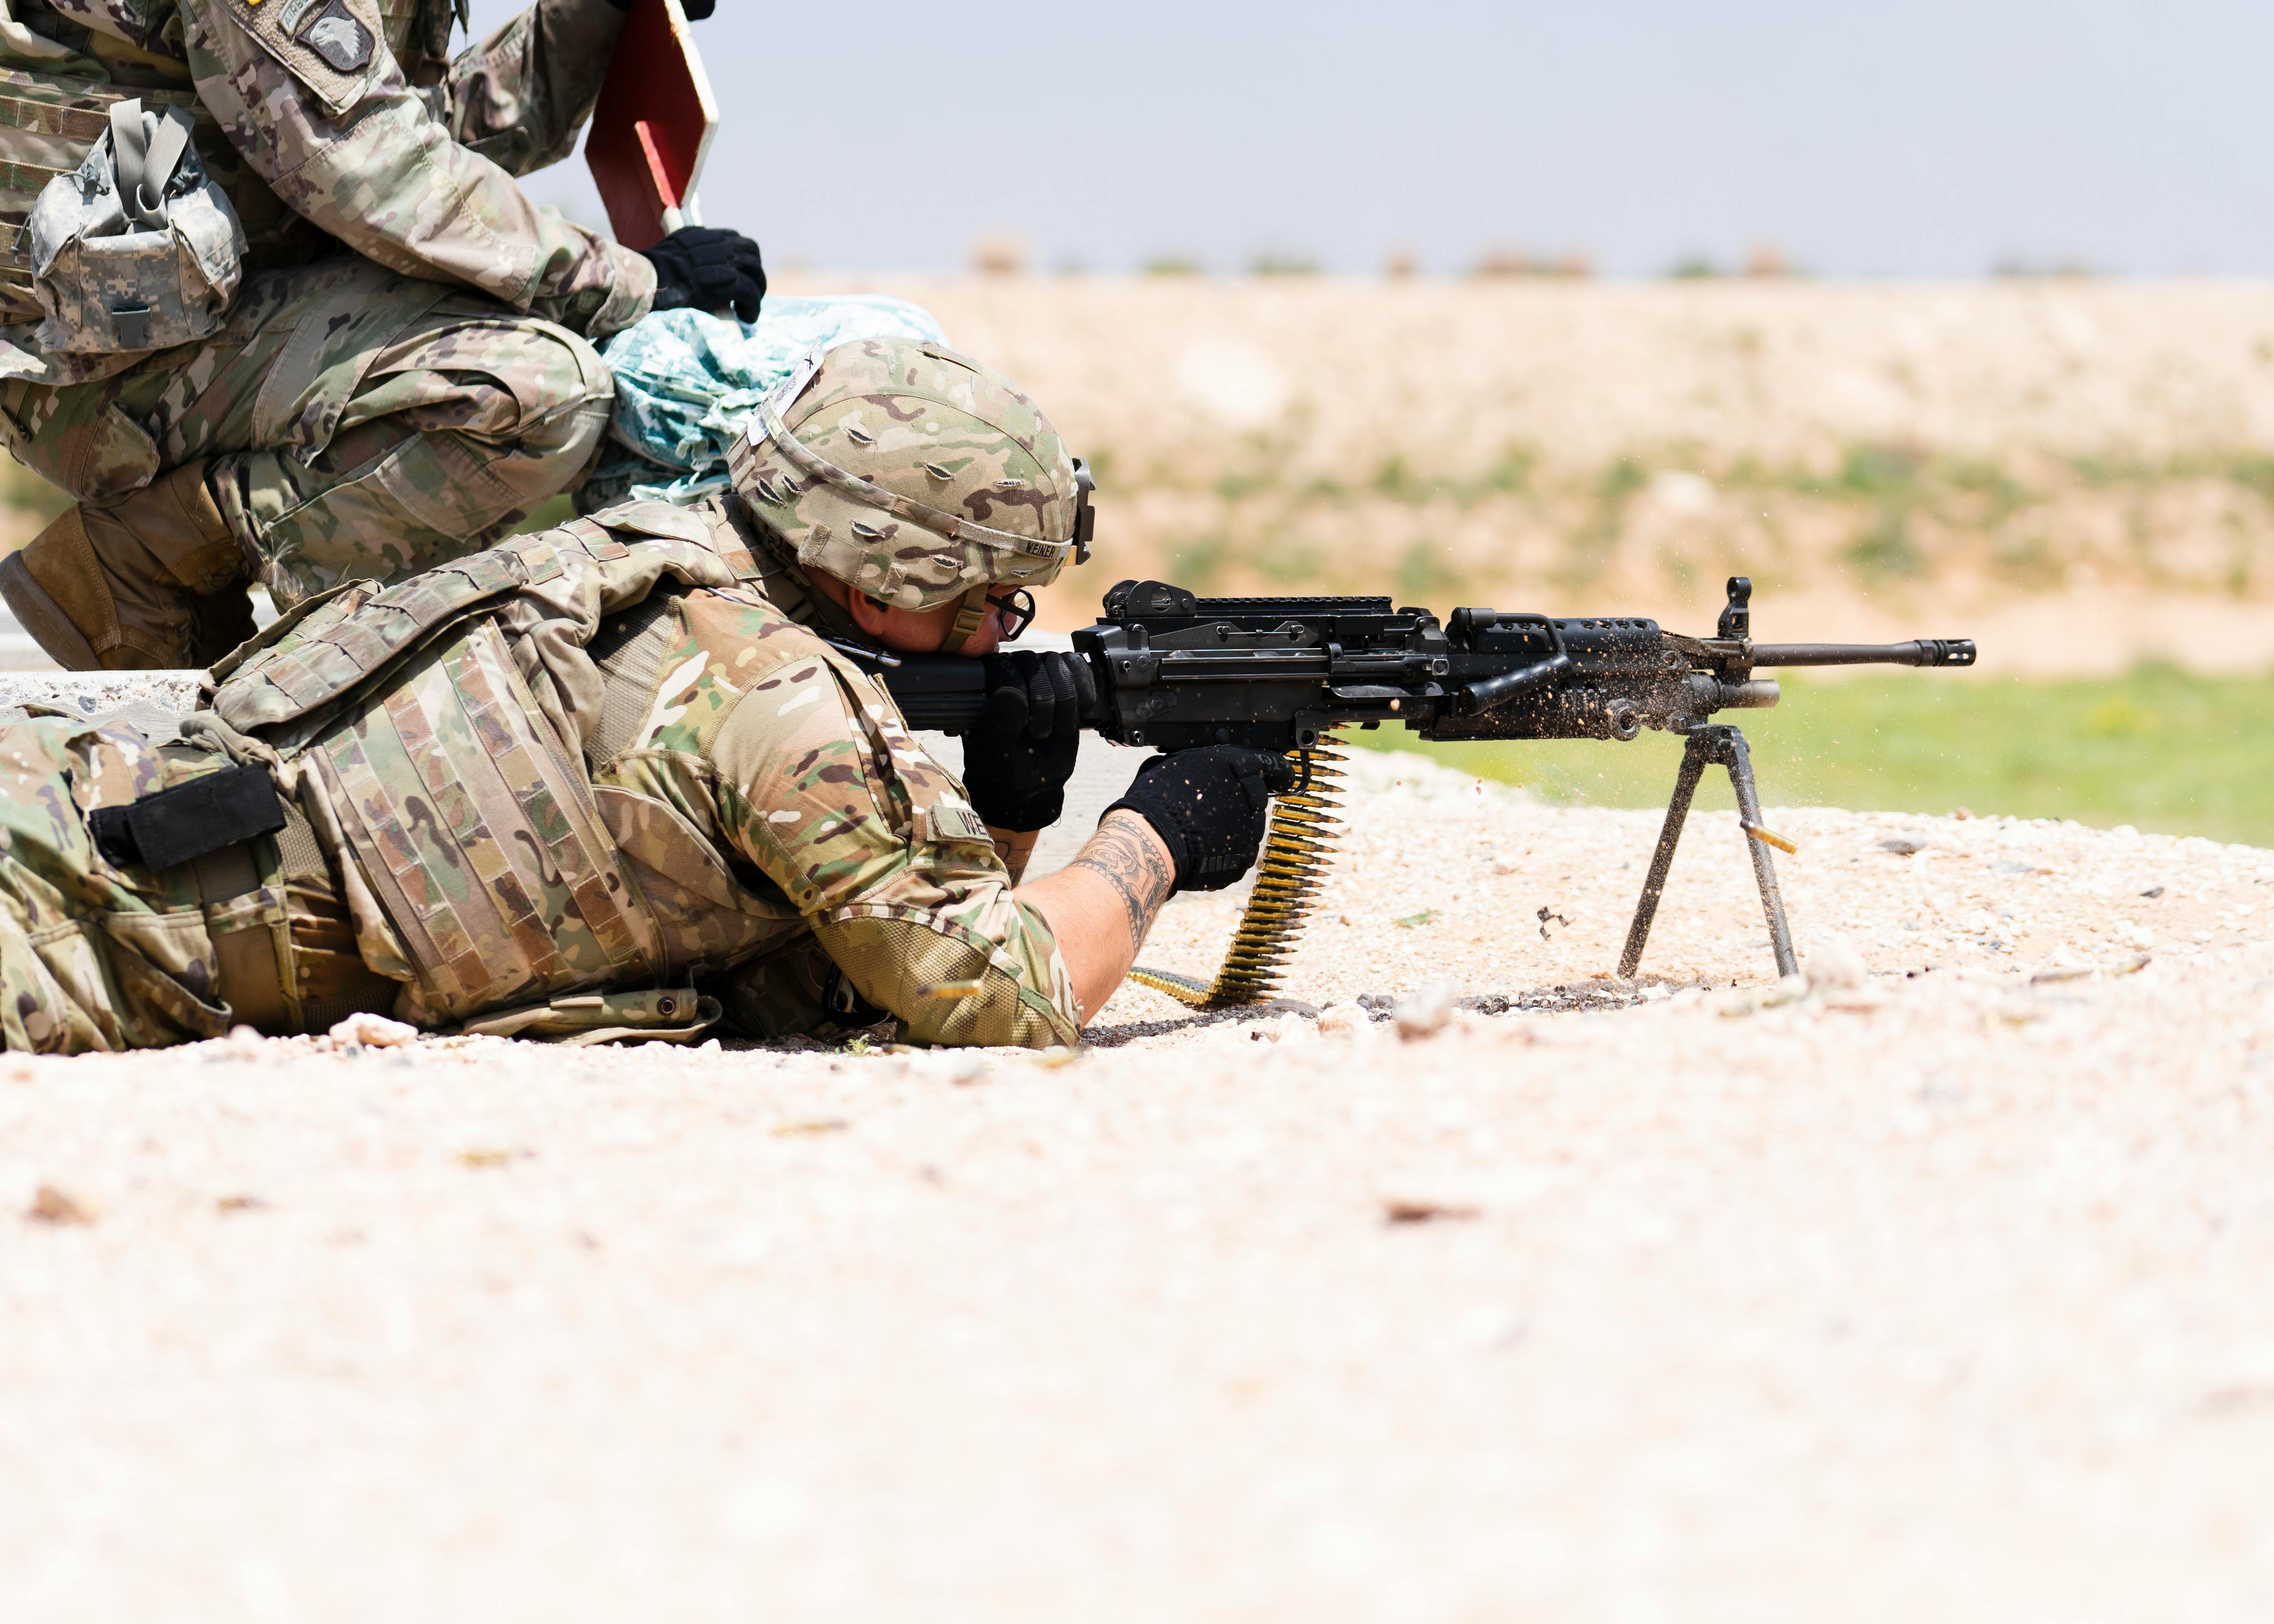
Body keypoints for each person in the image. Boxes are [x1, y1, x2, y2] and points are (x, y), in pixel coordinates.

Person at [0, 337, 1291, 1053]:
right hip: (90, 935)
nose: (997, 625)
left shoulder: (649, 554)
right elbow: (996, 995)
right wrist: (1158, 833)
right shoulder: (778, 703)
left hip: (86, 804)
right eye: (986, 594)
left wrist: (1008, 797)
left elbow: (842, 968)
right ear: (898, 566)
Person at [0, 0, 766, 673]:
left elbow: (422, 132)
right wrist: (630, 282)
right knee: (531, 394)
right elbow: (368, 165)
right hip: (95, 372)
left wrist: (591, 16)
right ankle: (144, 563)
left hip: (209, 314)